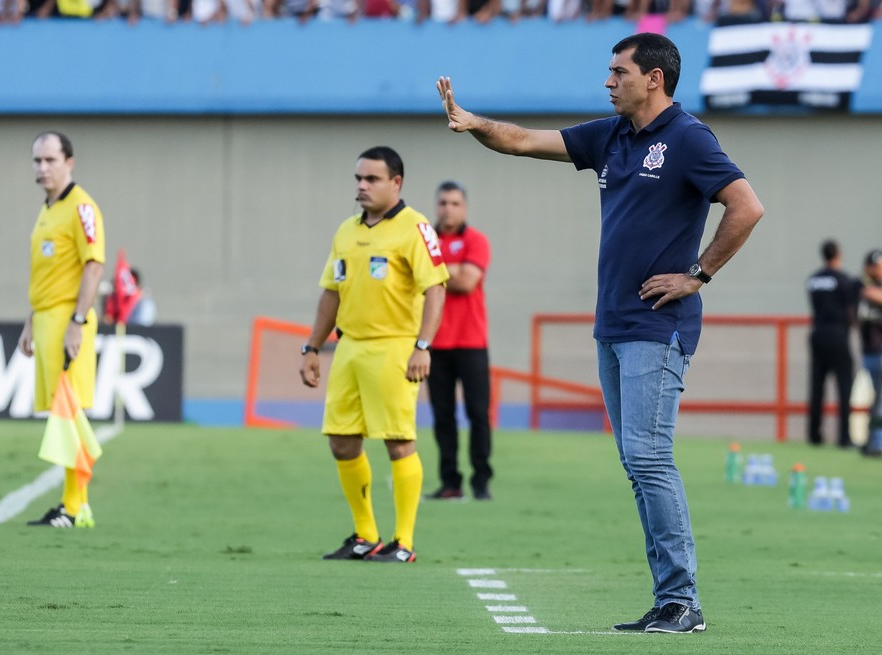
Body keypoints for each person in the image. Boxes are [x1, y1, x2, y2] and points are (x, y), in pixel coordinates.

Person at [437, 32, 764, 633]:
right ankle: (670, 598)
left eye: (618, 71)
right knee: (637, 462)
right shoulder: (610, 136)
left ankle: (682, 600)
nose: (608, 81)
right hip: (612, 323)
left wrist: (698, 274)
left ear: (653, 79)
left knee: (649, 457)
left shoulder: (689, 138)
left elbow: (746, 206)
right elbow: (523, 141)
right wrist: (472, 121)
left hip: (656, 325)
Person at [299, 146, 449, 564]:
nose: (362, 187)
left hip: (395, 347)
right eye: (358, 179)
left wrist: (422, 346)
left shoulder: (414, 227)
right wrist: (312, 347)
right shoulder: (346, 231)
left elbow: (435, 288)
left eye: (372, 179)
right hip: (349, 348)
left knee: (399, 442)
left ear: (395, 182)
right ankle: (365, 535)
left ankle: (403, 543)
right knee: (342, 442)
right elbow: (331, 292)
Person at [19, 132, 106, 528]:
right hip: (46, 320)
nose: (42, 168)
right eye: (37, 161)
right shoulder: (47, 210)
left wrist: (77, 321)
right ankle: (76, 505)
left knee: (67, 411)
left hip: (67, 322)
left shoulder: (81, 206)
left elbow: (94, 265)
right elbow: (48, 275)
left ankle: (74, 506)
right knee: (63, 414)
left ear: (69, 161)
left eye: (50, 160)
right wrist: (30, 321)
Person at [424, 181, 494, 502]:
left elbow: (467, 282)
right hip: (434, 343)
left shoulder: (476, 240)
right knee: (443, 416)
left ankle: (481, 482)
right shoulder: (425, 241)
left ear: (463, 207)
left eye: (454, 203)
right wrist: (449, 269)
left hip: (471, 341)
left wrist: (431, 271)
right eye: (443, 203)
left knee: (478, 414)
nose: (448, 208)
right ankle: (450, 482)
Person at [806, 240, 858, 448]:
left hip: (818, 333)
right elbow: (852, 311)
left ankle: (814, 434)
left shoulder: (813, 280)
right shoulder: (845, 280)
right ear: (838, 254)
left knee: (817, 386)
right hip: (838, 334)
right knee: (844, 386)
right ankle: (844, 437)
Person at [857, 248, 882, 456]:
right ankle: (873, 441)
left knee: (880, 401)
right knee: (876, 399)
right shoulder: (863, 286)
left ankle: (876, 443)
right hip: (870, 351)